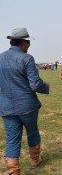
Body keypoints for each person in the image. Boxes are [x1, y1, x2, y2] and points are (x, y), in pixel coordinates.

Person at [0, 28, 49, 174]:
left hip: (6, 106)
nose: (29, 46)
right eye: (28, 42)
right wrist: (46, 87)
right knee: (32, 132)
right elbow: (35, 84)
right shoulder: (27, 59)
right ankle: (35, 160)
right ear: (23, 42)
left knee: (12, 138)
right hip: (27, 105)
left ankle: (13, 171)